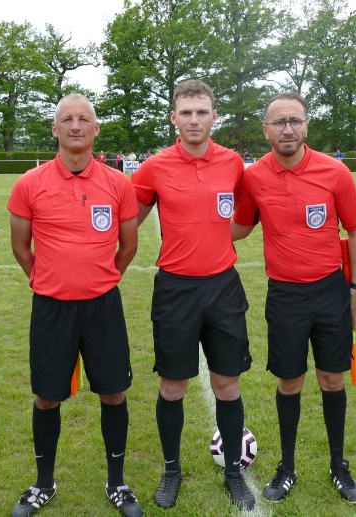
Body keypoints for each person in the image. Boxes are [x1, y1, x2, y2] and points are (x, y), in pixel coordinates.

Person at [6, 94, 142, 517]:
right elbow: (21, 248)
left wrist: (99, 277)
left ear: (96, 130)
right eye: (67, 119)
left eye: (84, 119)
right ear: (55, 129)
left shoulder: (119, 183)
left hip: (103, 306)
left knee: (113, 393)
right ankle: (43, 485)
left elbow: (128, 246)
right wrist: (49, 278)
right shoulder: (30, 183)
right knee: (47, 398)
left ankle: (117, 484)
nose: (76, 125)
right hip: (52, 307)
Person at [232, 92, 356, 504]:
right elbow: (238, 228)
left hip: (330, 291)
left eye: (294, 120)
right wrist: (191, 217)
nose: (287, 129)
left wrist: (355, 289)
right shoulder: (253, 176)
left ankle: (339, 465)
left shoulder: (335, 172)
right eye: (278, 122)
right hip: (285, 294)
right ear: (266, 130)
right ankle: (287, 466)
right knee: (290, 382)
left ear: (306, 125)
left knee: (331, 378)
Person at [131, 79, 255, 511]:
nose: (194, 120)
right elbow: (128, 219)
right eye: (186, 112)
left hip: (223, 287)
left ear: (214, 116)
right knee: (172, 386)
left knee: (227, 384)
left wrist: (221, 240)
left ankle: (234, 473)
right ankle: (171, 469)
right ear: (174, 118)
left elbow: (246, 215)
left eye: (202, 112)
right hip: (175, 288)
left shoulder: (234, 163)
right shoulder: (154, 167)